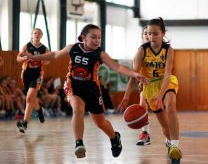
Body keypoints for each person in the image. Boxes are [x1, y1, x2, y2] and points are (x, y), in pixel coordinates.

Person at [20, 24, 148, 159]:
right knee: (77, 108)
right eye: (93, 37)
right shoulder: (73, 48)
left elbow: (117, 67)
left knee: (101, 123)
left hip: (92, 89)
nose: (97, 40)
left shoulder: (100, 54)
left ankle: (114, 137)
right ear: (83, 37)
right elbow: (55, 54)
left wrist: (134, 74)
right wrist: (33, 57)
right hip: (73, 85)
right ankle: (79, 143)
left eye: (99, 37)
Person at [117, 18, 182, 163]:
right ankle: (168, 142)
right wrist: (127, 96)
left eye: (155, 33)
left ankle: (176, 148)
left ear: (163, 33)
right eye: (149, 33)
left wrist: (160, 95)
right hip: (150, 87)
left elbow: (167, 75)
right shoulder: (142, 51)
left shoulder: (168, 50)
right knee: (165, 128)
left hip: (166, 82)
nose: (152, 36)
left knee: (171, 106)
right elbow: (134, 76)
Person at [16, 28, 49, 133]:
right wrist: (24, 58)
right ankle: (39, 111)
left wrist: (43, 60)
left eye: (39, 33)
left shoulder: (44, 48)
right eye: (35, 33)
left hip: (37, 75)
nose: (37, 35)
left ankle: (25, 123)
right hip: (26, 75)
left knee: (29, 98)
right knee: (32, 99)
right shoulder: (27, 46)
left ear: (41, 36)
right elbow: (18, 58)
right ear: (32, 35)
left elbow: (48, 61)